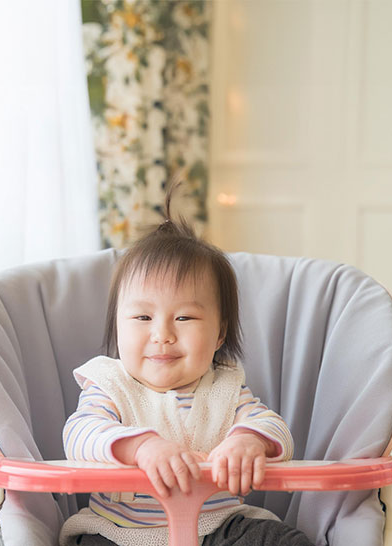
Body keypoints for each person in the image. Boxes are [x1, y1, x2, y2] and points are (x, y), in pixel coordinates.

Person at [59, 189, 313, 546]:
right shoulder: (109, 384)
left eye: (185, 317)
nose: (162, 334)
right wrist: (142, 447)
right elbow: (80, 434)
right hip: (121, 531)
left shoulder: (225, 389)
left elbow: (275, 429)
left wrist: (248, 440)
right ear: (118, 325)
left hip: (218, 527)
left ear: (219, 332)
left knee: (284, 541)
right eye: (142, 317)